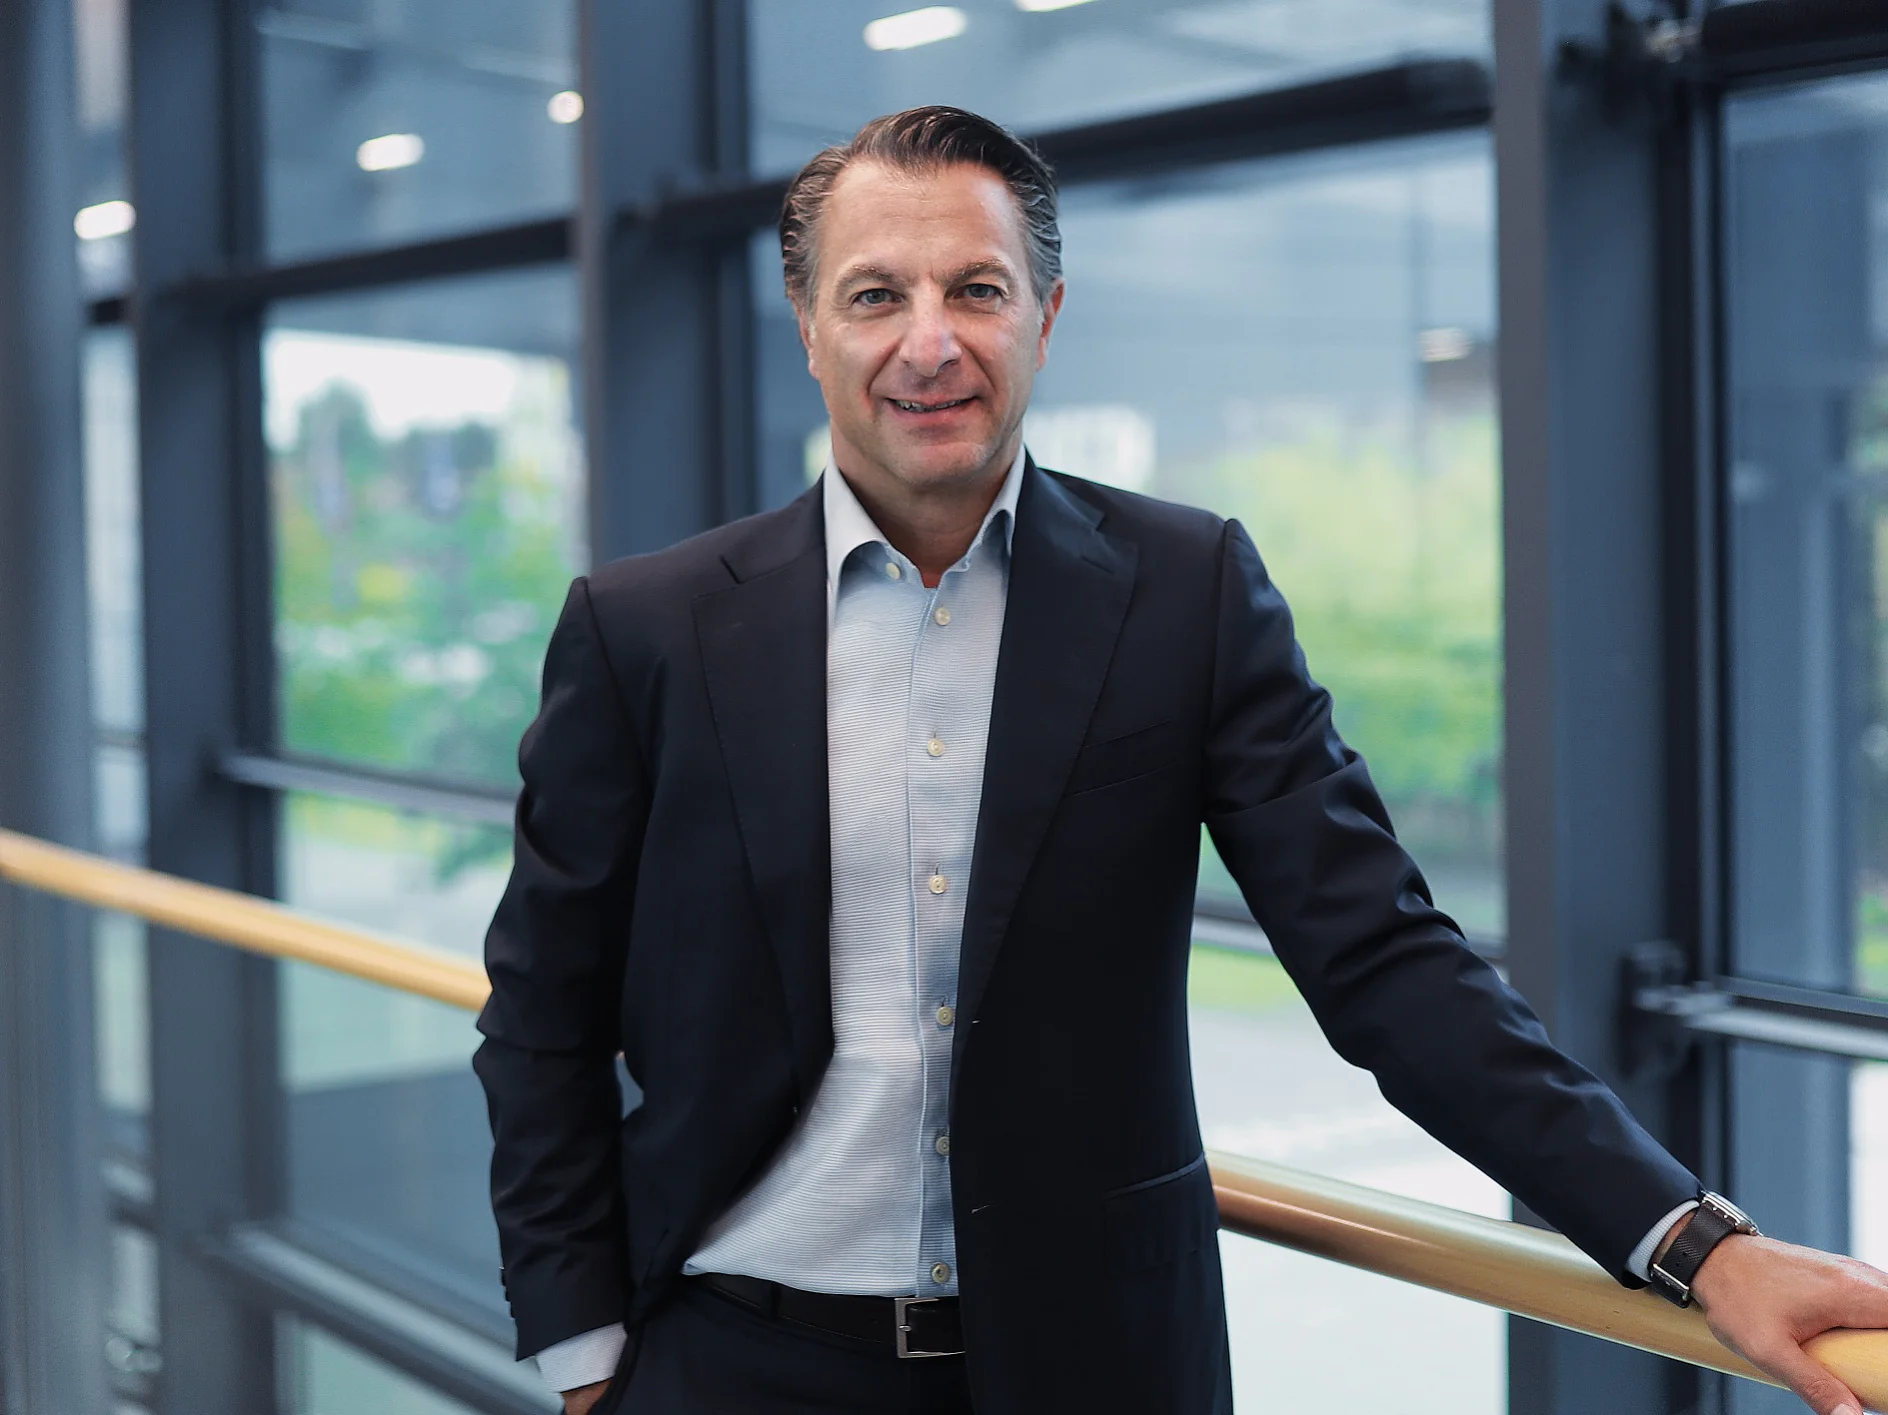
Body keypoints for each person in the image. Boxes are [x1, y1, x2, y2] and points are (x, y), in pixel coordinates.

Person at [473, 106, 1888, 1415]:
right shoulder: (646, 628)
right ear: (806, 323)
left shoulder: (1184, 588)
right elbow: (541, 1009)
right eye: (875, 294)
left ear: (1047, 315)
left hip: (1100, 1366)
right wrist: (588, 1351)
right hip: (731, 1359)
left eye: (976, 288)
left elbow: (1387, 964)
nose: (930, 342)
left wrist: (1695, 1240)